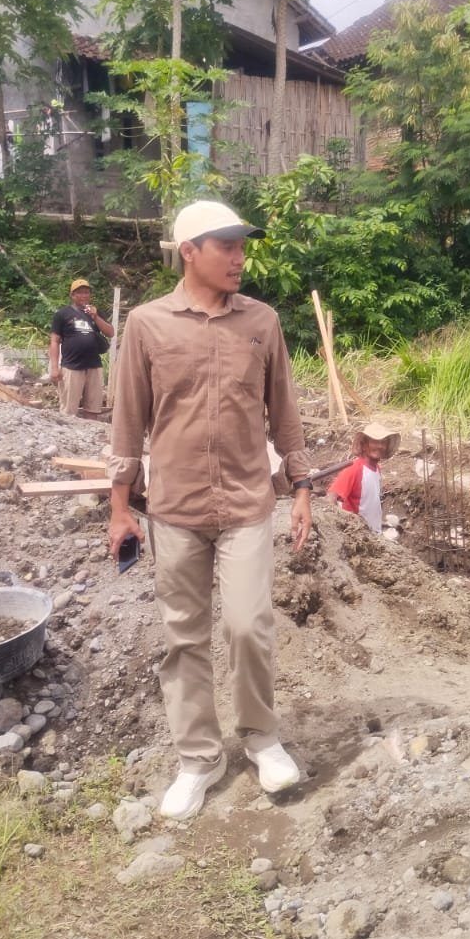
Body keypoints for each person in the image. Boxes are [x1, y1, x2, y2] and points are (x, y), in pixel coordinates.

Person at [108, 200, 312, 821]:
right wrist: (120, 508)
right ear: (188, 252)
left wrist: (301, 488)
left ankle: (260, 737)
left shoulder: (262, 322)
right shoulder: (147, 324)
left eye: (241, 246)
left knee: (249, 624)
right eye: (225, 246)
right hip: (174, 505)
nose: (239, 257)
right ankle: (199, 758)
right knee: (183, 636)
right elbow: (128, 422)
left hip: (250, 500)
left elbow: (285, 412)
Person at [49, 278, 114, 419]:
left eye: (86, 292)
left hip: (94, 365)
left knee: (93, 408)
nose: (84, 296)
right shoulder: (62, 314)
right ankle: (67, 437)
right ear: (73, 295)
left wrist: (96, 317)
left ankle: (89, 438)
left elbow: (110, 333)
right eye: (80, 293)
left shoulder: (96, 313)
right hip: (71, 366)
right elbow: (54, 341)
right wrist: (54, 367)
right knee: (68, 409)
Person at [328, 422, 400, 535]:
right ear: (364, 444)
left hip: (374, 533)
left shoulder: (377, 469)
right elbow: (331, 496)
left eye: (383, 442)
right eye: (374, 441)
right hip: (358, 534)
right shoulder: (354, 469)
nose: (380, 446)